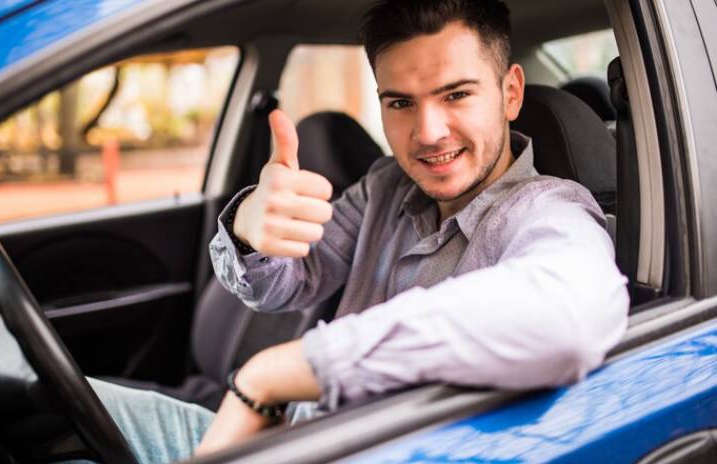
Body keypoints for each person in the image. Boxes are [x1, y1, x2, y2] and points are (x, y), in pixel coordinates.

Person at [84, 0, 629, 462]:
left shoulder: (548, 211)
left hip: (340, 445)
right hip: (290, 437)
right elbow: (286, 286)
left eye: (456, 95)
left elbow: (571, 314)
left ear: (510, 93)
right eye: (400, 103)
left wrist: (278, 373)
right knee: (42, 404)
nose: (429, 132)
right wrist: (251, 228)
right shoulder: (386, 186)